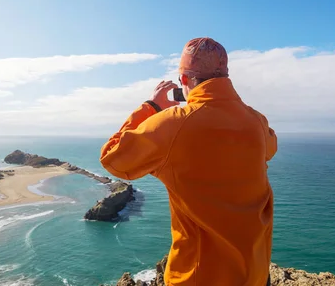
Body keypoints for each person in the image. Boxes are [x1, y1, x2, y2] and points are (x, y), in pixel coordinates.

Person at [100, 37, 277, 285]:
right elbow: (270, 148)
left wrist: (151, 106)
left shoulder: (174, 124)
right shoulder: (257, 121)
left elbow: (113, 158)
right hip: (254, 273)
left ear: (184, 79)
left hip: (201, 277)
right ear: (225, 76)